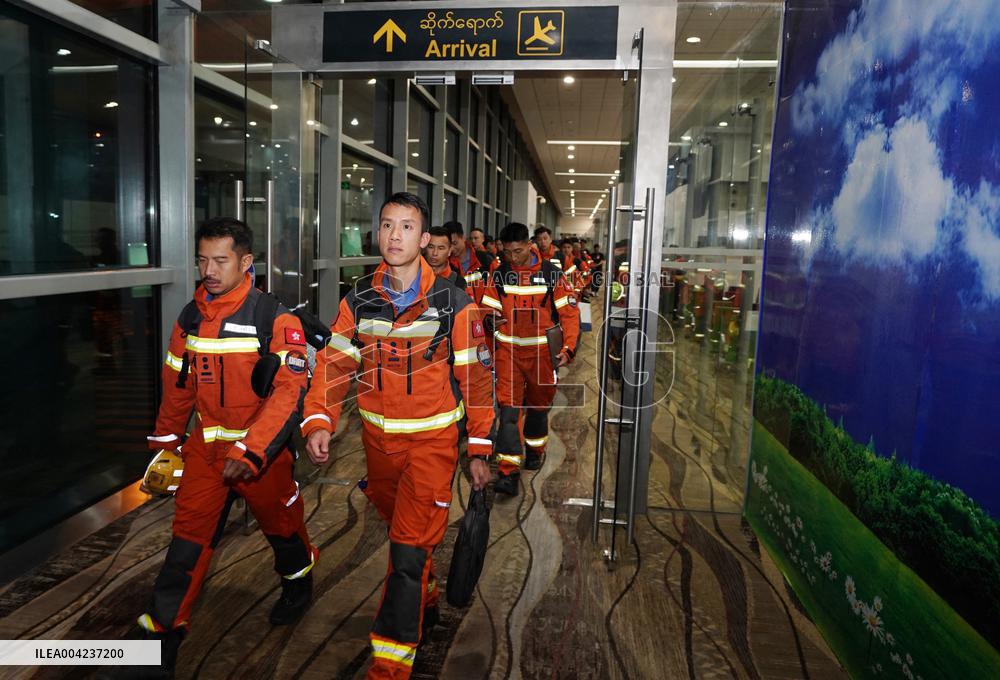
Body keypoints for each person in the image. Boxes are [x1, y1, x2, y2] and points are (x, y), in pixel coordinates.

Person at [302, 193, 494, 679]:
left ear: (425, 239)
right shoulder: (359, 299)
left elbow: (475, 379)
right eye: (387, 225)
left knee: (406, 553)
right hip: (377, 448)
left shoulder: (454, 304)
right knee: (405, 535)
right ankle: (425, 588)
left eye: (407, 227)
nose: (394, 236)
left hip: (432, 446)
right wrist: (320, 419)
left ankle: (388, 668)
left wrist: (480, 445)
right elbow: (335, 364)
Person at [137, 218, 318, 675]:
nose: (209, 270)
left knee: (282, 530)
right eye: (202, 259)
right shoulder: (190, 317)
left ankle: (299, 581)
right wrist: (166, 442)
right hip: (205, 453)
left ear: (246, 262)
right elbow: (177, 385)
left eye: (220, 260)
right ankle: (162, 639)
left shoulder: (273, 318)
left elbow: (288, 394)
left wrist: (252, 451)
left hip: (261, 457)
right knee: (187, 542)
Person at [481, 223, 580, 496]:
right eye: (508, 253)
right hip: (508, 353)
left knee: (538, 407)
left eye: (518, 251)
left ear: (529, 244)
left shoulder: (551, 274)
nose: (513, 258)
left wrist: (568, 348)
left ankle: (536, 448)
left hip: (541, 357)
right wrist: (488, 321)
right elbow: (486, 310)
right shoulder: (499, 275)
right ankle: (507, 471)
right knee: (508, 410)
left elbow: (570, 315)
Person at [445, 220, 495, 305]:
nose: (452, 248)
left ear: (463, 238)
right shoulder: (446, 264)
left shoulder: (484, 260)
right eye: (449, 245)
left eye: (455, 243)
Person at [424, 226, 467, 291]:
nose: (435, 253)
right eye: (431, 247)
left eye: (441, 248)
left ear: (449, 251)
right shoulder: (412, 275)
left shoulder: (458, 281)